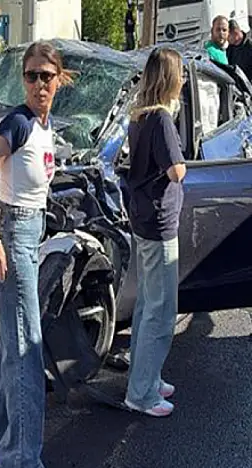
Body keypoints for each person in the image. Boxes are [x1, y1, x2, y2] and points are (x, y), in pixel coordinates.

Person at [0, 41, 71, 467]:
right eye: (31, 76)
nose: (38, 84)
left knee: (14, 341)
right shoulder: (19, 123)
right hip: (13, 236)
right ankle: (21, 458)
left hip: (32, 230)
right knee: (27, 347)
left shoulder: (45, 125)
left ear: (59, 80)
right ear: (23, 80)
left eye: (46, 76)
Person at [123, 47, 187, 417]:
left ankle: (146, 377)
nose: (182, 81)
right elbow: (175, 170)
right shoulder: (162, 119)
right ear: (169, 79)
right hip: (160, 224)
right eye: (179, 74)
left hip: (144, 219)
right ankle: (143, 393)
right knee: (161, 311)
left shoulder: (139, 116)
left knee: (148, 304)